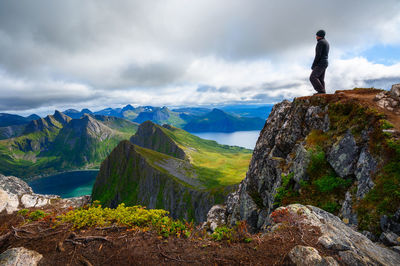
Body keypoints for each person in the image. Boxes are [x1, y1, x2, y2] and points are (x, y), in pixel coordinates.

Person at [310, 30, 329, 94]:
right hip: (325, 62)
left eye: (317, 35)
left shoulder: (320, 42)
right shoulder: (326, 42)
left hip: (321, 62)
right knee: (320, 79)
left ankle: (321, 91)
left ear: (320, 36)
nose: (316, 37)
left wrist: (314, 65)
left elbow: (318, 55)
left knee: (313, 77)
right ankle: (323, 93)